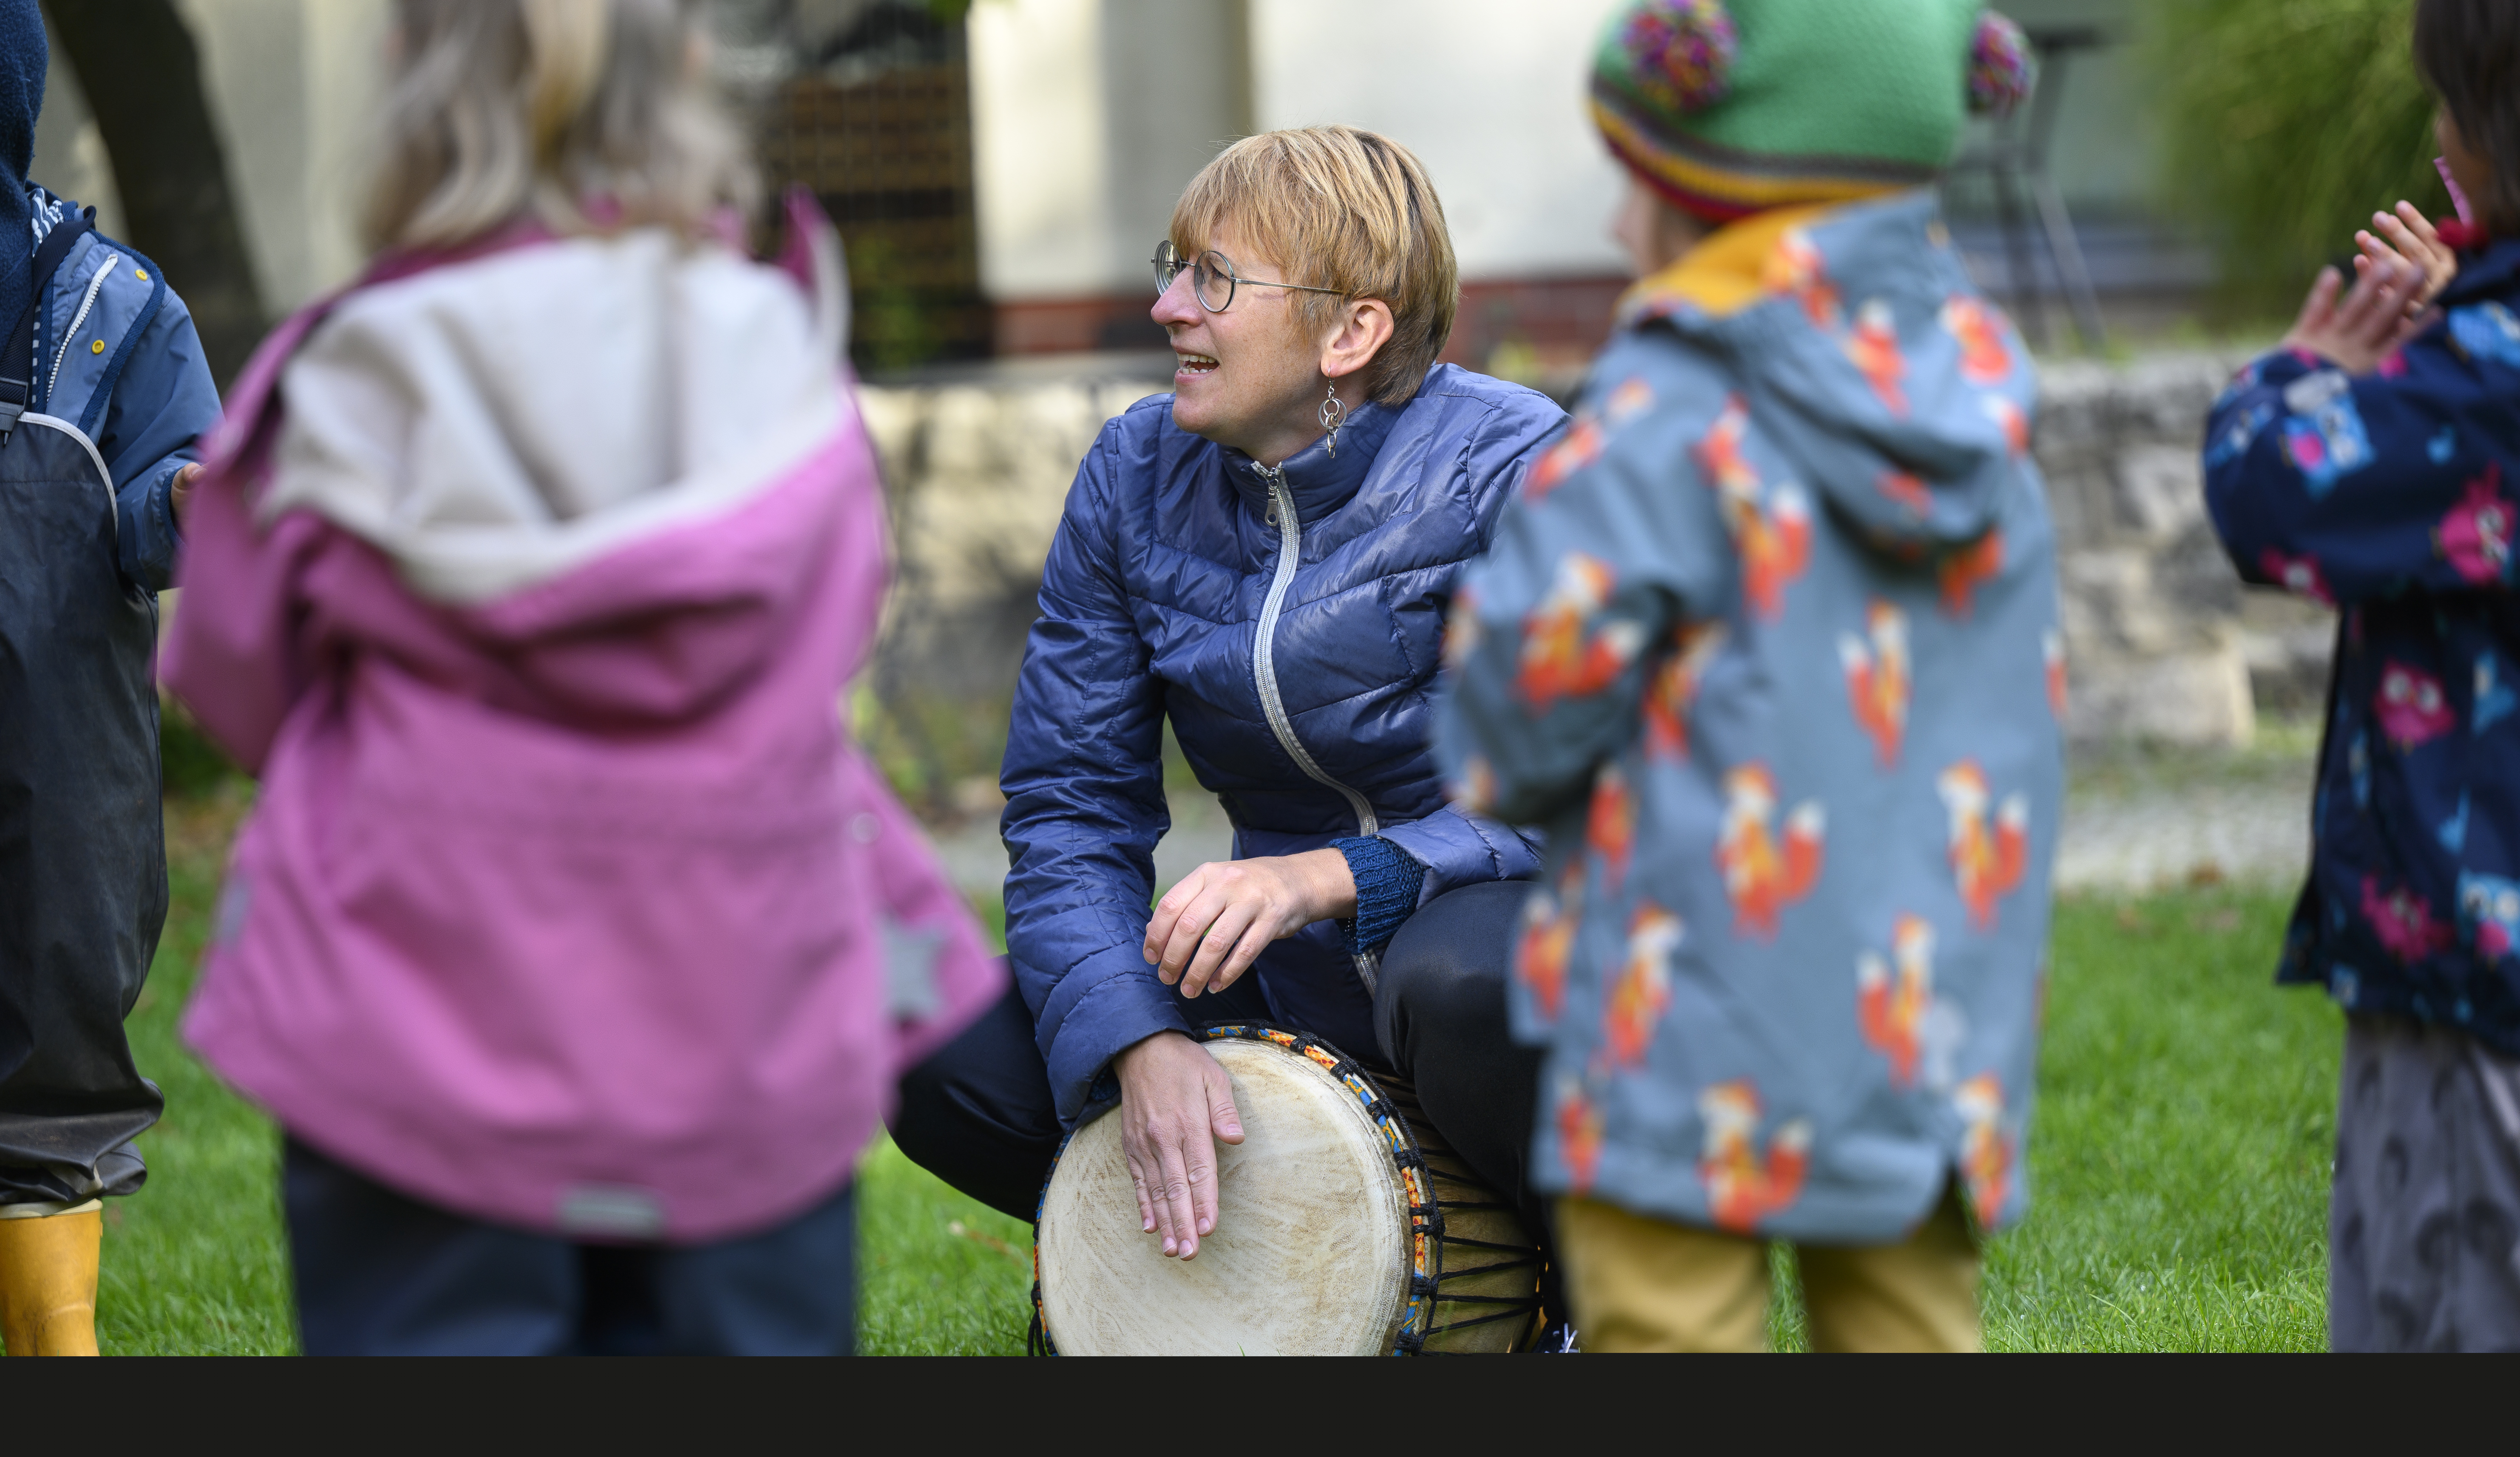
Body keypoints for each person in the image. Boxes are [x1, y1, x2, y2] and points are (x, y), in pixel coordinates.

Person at [162, 0, 998, 1356]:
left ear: (407, 74)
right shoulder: (782, 352)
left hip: (419, 1012)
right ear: (681, 67)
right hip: (744, 1014)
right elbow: (833, 624)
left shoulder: (354, 365)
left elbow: (231, 672)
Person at [1435, 0, 2061, 1352]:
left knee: (1670, 1330)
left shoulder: (1673, 409)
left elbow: (1515, 719)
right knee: (1908, 1332)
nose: (1614, 229)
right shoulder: (1986, 415)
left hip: (1687, 1010)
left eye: (1636, 189)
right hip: (1924, 1015)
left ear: (1715, 201)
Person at [893, 126, 1569, 1323]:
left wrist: (1339, 875)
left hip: (1497, 964)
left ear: (1349, 333)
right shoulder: (1131, 476)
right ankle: (1262, 1287)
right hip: (1287, 994)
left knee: (1469, 975)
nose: (1167, 308)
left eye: (1214, 280)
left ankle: (1570, 1293)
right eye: (1172, 266)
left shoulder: (1515, 465)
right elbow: (1070, 810)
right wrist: (1134, 1041)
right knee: (924, 1045)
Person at [2200, 0, 2520, 1353]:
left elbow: (2274, 495)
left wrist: (2302, 374)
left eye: (2450, 112)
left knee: (2442, 1310)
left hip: (2472, 967)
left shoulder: (2483, 386)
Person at [0, 0, 224, 1355]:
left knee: (48, 1072)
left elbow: (161, 493)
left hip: (57, 787)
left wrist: (192, 499)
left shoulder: (107, 308)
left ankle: (52, 1334)